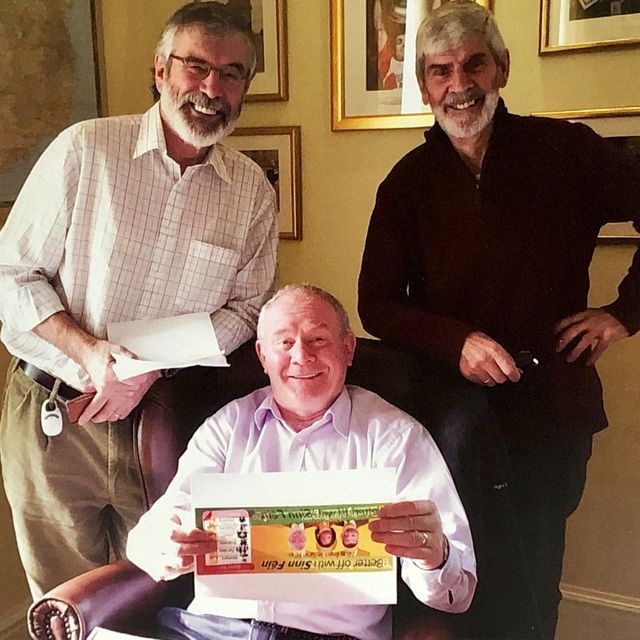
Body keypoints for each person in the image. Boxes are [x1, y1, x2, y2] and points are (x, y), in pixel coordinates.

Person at [358, 2, 640, 638]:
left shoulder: (568, 150)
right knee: (451, 579)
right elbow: (376, 303)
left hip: (551, 410)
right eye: (439, 71)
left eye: (473, 64)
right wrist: (455, 342)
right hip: (447, 419)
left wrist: (623, 315)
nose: (459, 85)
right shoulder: (407, 181)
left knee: (535, 576)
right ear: (424, 83)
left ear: (502, 69)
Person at [0, 1, 277, 598]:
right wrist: (94, 354)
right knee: (67, 603)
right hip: (55, 419)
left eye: (231, 74)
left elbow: (249, 310)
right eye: (196, 66)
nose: (211, 87)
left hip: (164, 420)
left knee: (162, 594)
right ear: (160, 69)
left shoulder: (251, 191)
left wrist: (144, 368)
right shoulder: (85, 151)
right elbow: (10, 273)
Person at [127, 284, 476, 640]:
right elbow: (150, 534)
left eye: (318, 340)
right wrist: (164, 545)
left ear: (348, 348)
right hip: (208, 630)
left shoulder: (396, 438)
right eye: (284, 342)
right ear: (263, 356)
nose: (301, 356)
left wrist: (434, 555)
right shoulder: (227, 427)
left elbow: (457, 593)